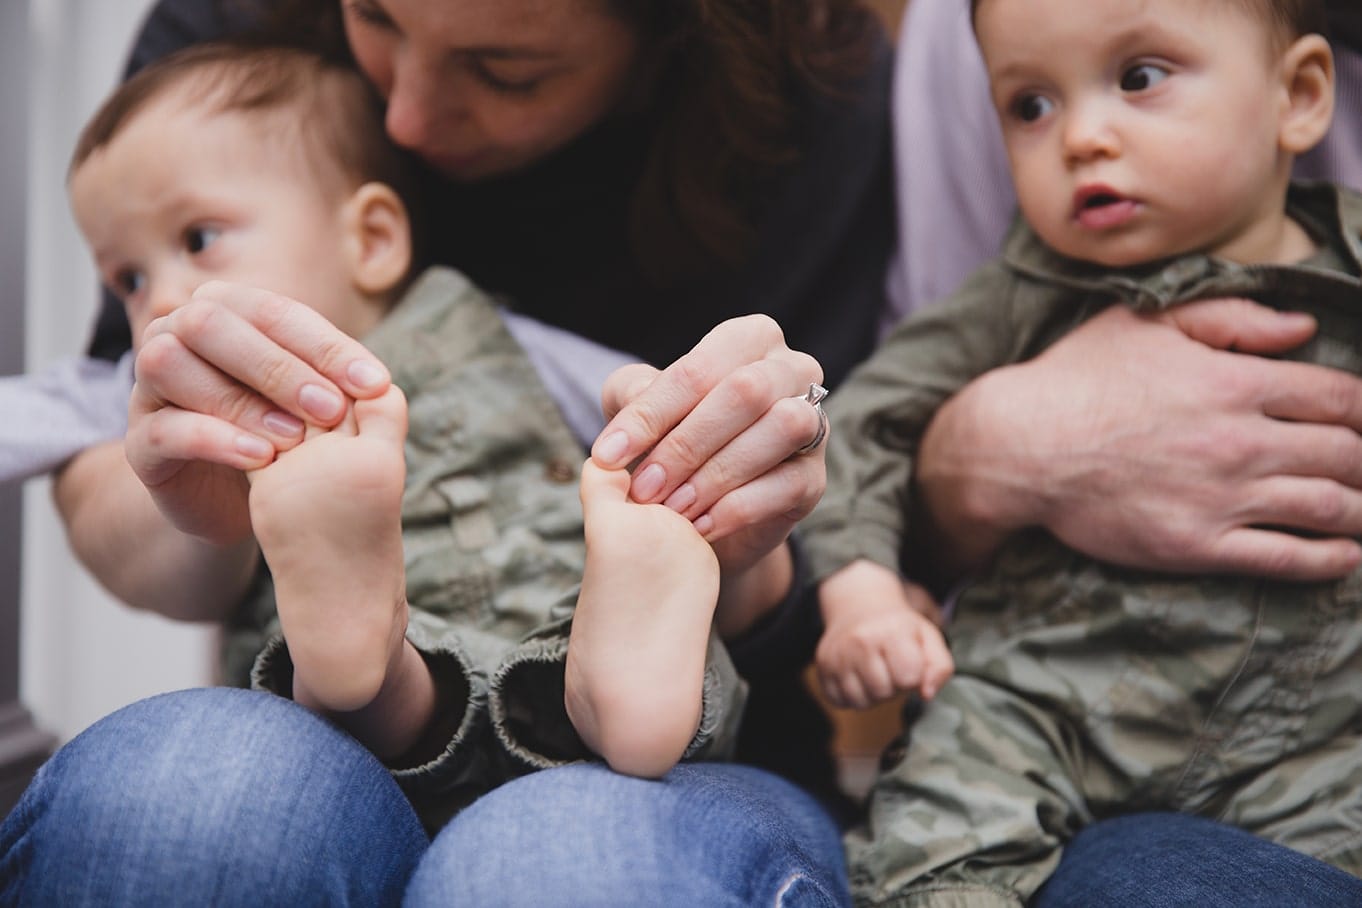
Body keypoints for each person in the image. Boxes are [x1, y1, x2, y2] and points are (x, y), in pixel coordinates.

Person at [7, 1, 881, 903]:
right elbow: (43, 423)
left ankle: (603, 666)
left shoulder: (491, 327)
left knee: (545, 795)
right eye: (128, 278)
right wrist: (183, 483)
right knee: (303, 728)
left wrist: (683, 444)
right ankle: (378, 657)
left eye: (506, 70)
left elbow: (668, 400)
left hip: (561, 625)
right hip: (379, 723)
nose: (159, 300)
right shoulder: (165, 361)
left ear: (374, 237)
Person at [802, 0, 1362, 905]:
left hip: (1310, 743)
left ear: (1297, 95)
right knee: (931, 848)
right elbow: (858, 425)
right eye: (1031, 106)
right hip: (1040, 705)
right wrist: (863, 596)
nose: (1081, 138)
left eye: (1140, 78)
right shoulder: (1023, 293)